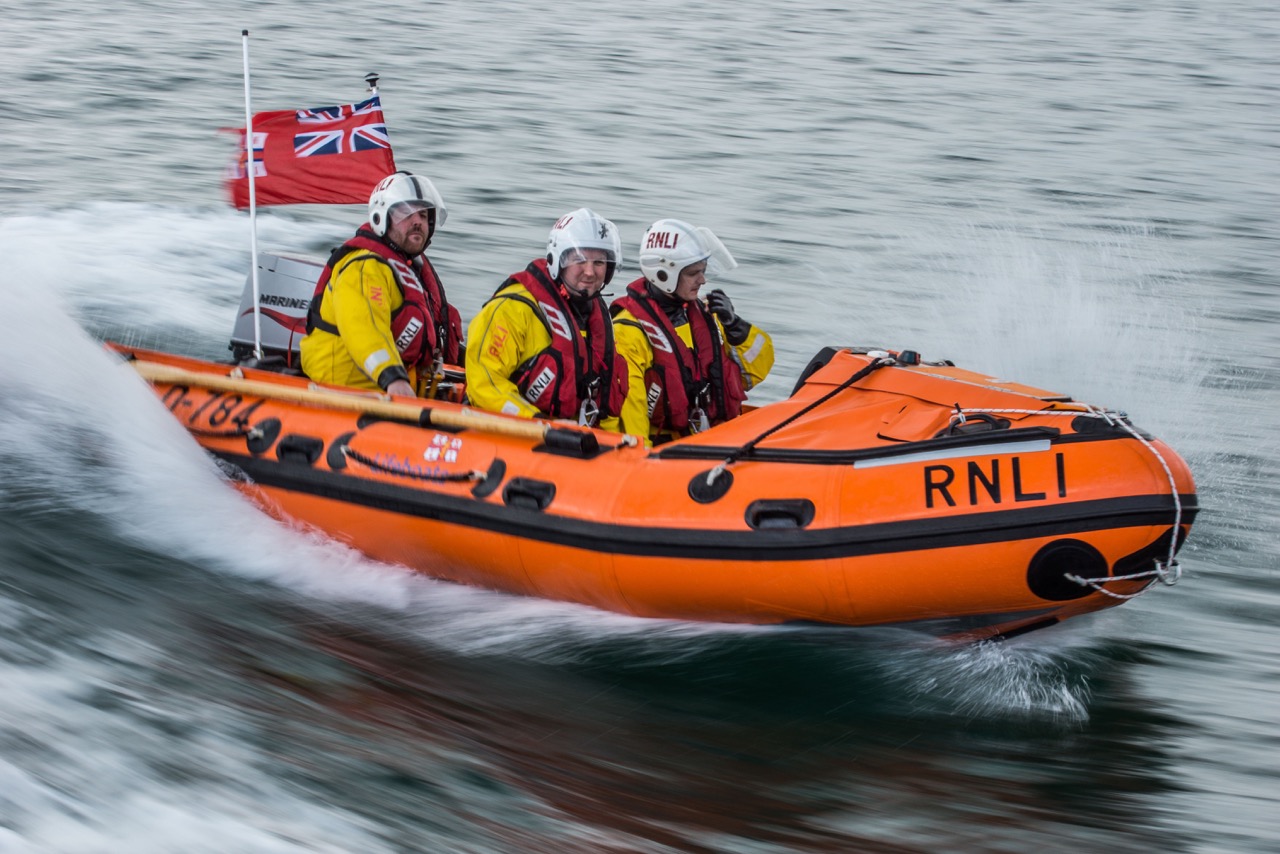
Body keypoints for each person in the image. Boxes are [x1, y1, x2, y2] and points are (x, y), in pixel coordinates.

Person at [604, 218, 773, 444]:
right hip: (665, 446)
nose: (702, 280)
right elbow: (631, 406)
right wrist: (641, 457)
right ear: (664, 274)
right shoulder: (630, 331)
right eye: (694, 273)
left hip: (712, 437)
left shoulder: (705, 315)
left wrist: (735, 326)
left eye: (702, 271)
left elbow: (751, 375)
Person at [300, 171, 462, 398]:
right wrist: (393, 378)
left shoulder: (409, 269)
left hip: (391, 390)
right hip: (347, 392)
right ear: (381, 216)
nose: (418, 221)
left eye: (424, 215)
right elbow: (365, 329)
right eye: (407, 212)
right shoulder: (365, 267)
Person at [464, 208, 628, 425]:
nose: (590, 272)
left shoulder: (598, 317)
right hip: (512, 433)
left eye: (598, 262)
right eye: (579, 260)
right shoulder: (512, 308)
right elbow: (484, 383)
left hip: (572, 438)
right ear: (558, 259)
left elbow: (603, 406)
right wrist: (537, 422)